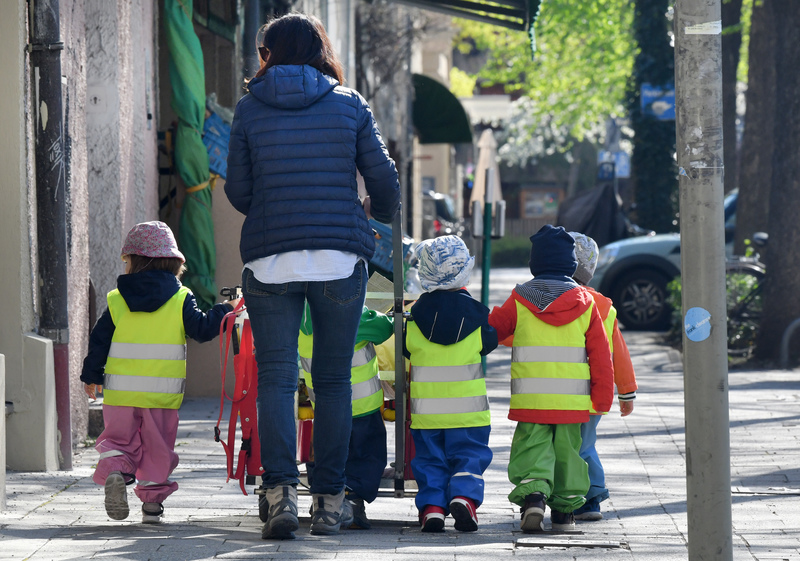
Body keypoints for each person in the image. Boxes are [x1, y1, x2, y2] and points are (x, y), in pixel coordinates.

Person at [224, 12, 401, 540]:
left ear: (268, 55)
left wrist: (273, 207)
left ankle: (279, 494)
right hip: (339, 261)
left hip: (269, 259)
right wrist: (375, 212)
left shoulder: (250, 109)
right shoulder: (348, 105)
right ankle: (329, 500)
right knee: (333, 381)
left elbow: (237, 191)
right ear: (320, 49)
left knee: (277, 380)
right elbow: (384, 179)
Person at [80, 221, 240, 524]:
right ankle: (152, 507)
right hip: (161, 394)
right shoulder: (180, 298)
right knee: (157, 449)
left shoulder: (116, 299)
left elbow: (99, 340)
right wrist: (227, 308)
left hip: (120, 393)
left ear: (132, 261)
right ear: (174, 262)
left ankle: (116, 470)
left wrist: (91, 376)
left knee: (118, 440)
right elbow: (203, 329)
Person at [488, 224, 614, 533]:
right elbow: (600, 355)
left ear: (535, 264)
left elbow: (492, 333)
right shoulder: (586, 302)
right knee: (569, 455)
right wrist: (602, 398)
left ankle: (534, 496)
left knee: (533, 448)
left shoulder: (520, 299)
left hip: (531, 399)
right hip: (572, 402)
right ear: (571, 264)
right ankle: (564, 513)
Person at [402, 236, 498, 533]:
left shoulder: (413, 320)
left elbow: (406, 349)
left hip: (426, 413)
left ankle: (432, 508)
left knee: (430, 460)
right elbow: (488, 344)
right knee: (469, 454)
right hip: (469, 411)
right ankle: (464, 498)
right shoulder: (478, 317)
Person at [299, 303, 393, 529]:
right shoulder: (351, 314)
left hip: (325, 407)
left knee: (327, 450)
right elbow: (384, 329)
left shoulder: (301, 319)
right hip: (362, 406)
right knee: (365, 455)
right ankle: (352, 500)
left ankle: (324, 497)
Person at [568, 232, 637, 521]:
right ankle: (591, 496)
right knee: (586, 444)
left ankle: (584, 496)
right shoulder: (604, 305)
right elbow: (618, 352)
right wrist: (626, 391)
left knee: (570, 445)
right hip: (596, 390)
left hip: (562, 389)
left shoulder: (556, 299)